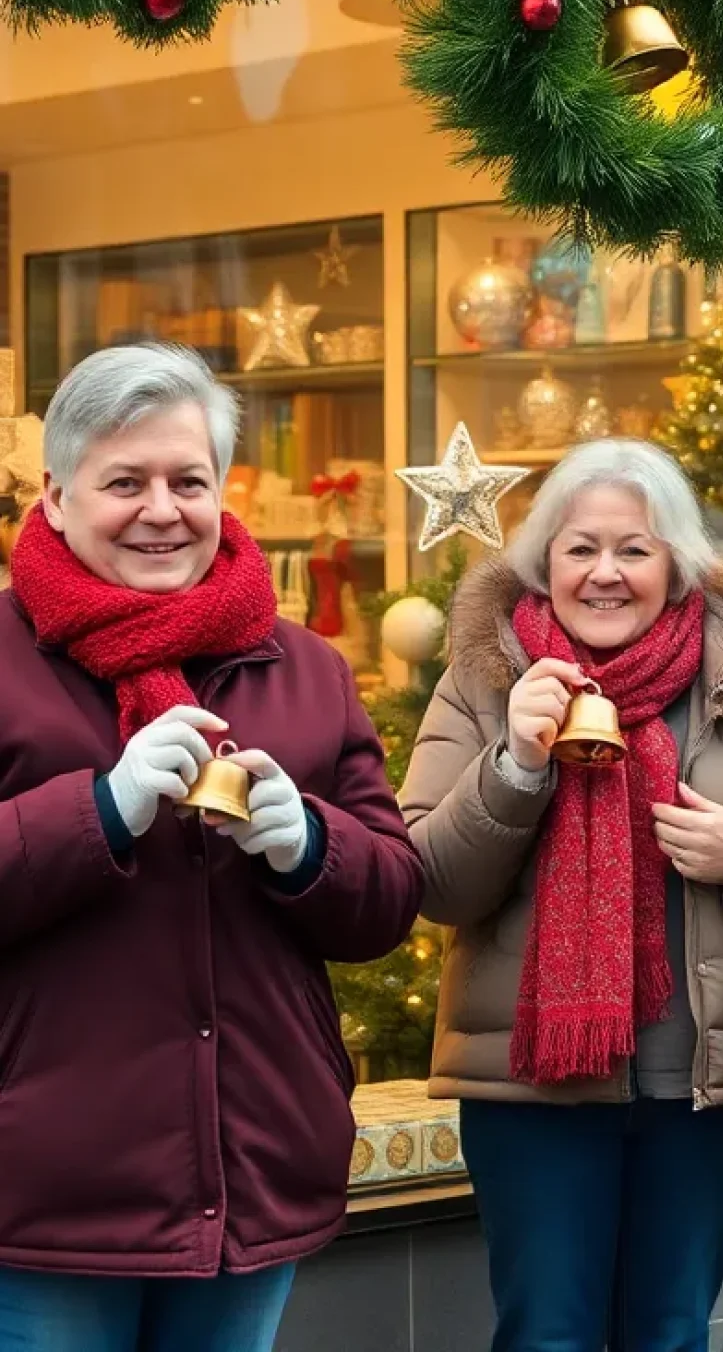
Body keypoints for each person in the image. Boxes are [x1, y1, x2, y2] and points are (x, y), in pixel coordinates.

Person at [399, 439, 723, 1352]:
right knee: (547, 1337)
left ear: (675, 565)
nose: (604, 573)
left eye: (633, 549)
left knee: (670, 1336)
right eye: (580, 548)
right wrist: (514, 766)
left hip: (698, 1097)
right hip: (530, 1093)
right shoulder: (484, 680)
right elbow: (428, 882)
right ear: (542, 561)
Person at [0, 343, 425, 1352]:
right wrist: (100, 810)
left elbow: (391, 895)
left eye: (188, 480)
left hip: (250, 1178)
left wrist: (309, 844)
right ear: (57, 498)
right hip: (47, 1189)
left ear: (221, 493)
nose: (162, 508)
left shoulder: (304, 666)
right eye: (124, 482)